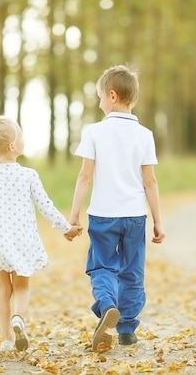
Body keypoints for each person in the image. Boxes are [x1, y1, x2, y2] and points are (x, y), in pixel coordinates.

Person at [0, 113, 82, 353]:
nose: (24, 139)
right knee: (21, 287)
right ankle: (19, 318)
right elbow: (46, 206)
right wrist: (66, 229)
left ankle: (6, 339)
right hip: (22, 242)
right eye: (21, 135)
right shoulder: (28, 175)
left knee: (2, 289)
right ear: (12, 146)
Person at [69, 65, 166, 352]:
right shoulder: (145, 134)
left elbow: (85, 177)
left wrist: (74, 216)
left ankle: (108, 305)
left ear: (112, 96)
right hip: (135, 215)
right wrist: (158, 221)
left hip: (103, 214)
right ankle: (126, 330)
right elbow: (150, 181)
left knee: (102, 266)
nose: (99, 103)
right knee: (132, 271)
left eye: (100, 97)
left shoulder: (94, 132)